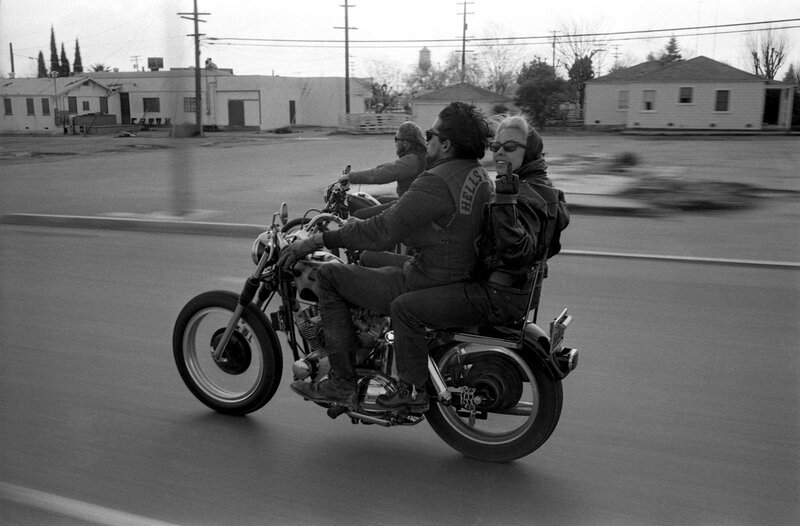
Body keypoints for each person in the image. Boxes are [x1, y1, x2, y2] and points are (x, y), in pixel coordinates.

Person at [278, 102, 493, 410]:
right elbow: (401, 212)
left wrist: (319, 240)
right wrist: (361, 219)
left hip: (429, 280)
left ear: (446, 143)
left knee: (329, 276)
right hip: (453, 271)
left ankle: (341, 382)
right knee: (368, 259)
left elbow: (383, 231)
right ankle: (370, 344)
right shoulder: (476, 174)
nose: (427, 138)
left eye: (432, 133)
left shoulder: (437, 179)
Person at [376, 114, 570, 411]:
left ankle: (410, 391)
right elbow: (545, 247)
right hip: (518, 292)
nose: (501, 152)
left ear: (528, 151)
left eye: (511, 146)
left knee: (404, 308)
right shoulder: (545, 189)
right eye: (496, 146)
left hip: (495, 295)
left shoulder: (521, 195)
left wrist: (505, 200)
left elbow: (516, 252)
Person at [342, 121, 427, 219]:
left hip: (410, 205)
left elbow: (383, 174)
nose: (395, 143)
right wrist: (356, 174)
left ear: (405, 142)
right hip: (411, 200)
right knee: (377, 200)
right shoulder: (418, 155)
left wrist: (351, 177)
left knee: (359, 215)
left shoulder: (412, 160)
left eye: (396, 139)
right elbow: (385, 168)